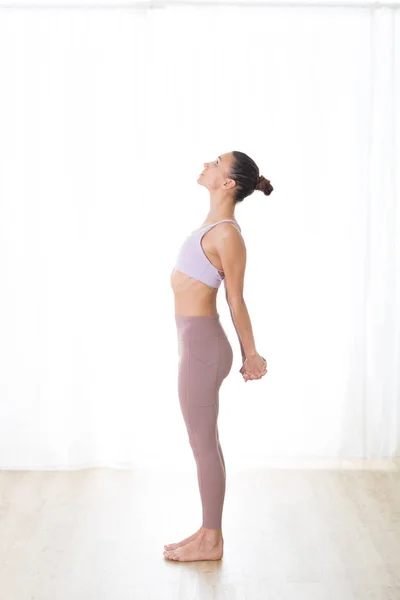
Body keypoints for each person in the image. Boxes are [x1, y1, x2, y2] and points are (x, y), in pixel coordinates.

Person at [164, 151, 274, 562]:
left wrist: (252, 353)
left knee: (203, 446)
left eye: (215, 162)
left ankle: (212, 541)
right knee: (204, 443)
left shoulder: (228, 234)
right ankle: (208, 531)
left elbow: (236, 300)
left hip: (204, 351)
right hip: (195, 346)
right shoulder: (211, 226)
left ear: (228, 183)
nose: (206, 163)